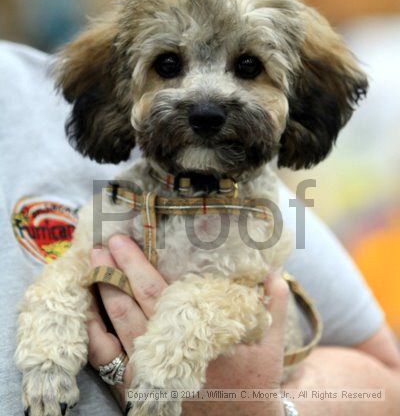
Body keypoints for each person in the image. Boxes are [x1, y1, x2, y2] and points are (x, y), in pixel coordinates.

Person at [0, 40, 399, 416]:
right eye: (169, 65)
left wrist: (258, 406)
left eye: (247, 66)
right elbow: (71, 269)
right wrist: (50, 337)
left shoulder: (258, 205)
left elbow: (387, 381)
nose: (206, 105)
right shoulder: (117, 199)